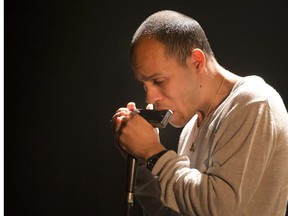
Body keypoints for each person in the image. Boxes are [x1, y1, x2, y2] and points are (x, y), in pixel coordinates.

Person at [111, 10, 288, 216]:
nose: (150, 98)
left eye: (158, 81)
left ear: (196, 61)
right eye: (144, 85)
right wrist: (142, 163)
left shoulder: (254, 103)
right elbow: (175, 212)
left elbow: (219, 208)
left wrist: (153, 152)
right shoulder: (190, 128)